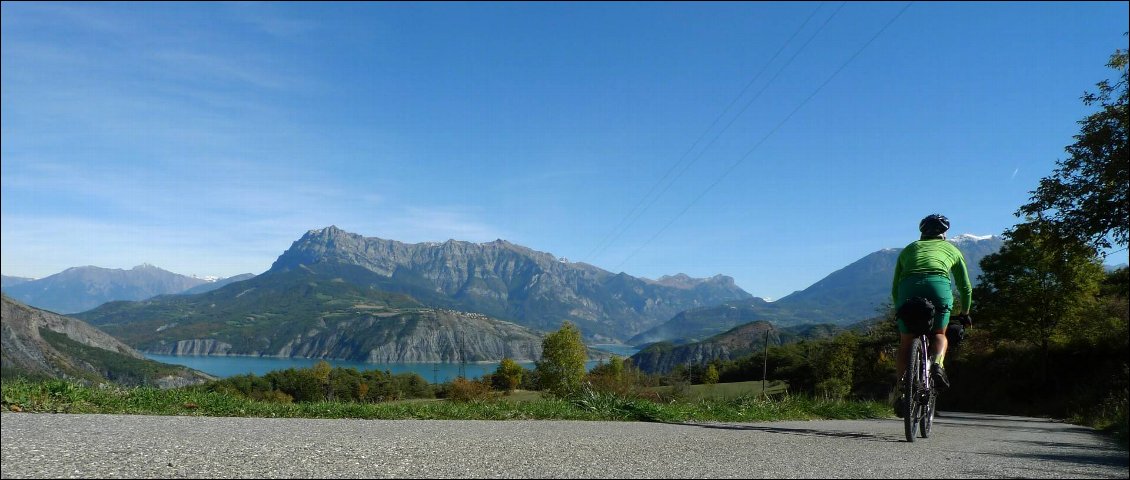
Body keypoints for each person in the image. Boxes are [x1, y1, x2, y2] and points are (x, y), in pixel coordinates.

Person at [891, 214, 973, 416]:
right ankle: (937, 365)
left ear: (922, 232)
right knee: (938, 333)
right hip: (938, 288)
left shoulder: (910, 248)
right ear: (944, 234)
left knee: (906, 341)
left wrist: (899, 308)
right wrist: (965, 312)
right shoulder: (952, 249)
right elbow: (965, 287)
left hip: (907, 290)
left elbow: (894, 286)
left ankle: (902, 391)